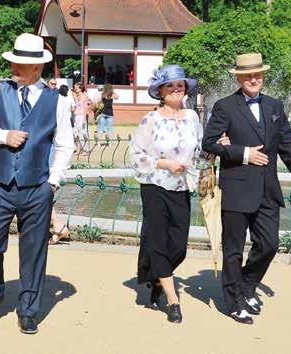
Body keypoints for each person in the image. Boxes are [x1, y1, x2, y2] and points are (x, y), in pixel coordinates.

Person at [0, 33, 74, 334]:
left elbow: (66, 146)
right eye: (13, 61)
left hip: (37, 187)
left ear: (36, 68)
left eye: (20, 63)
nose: (13, 66)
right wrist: (2, 136)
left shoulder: (58, 101)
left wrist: (51, 184)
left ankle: (28, 309)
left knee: (34, 250)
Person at [202, 53, 291, 325]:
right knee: (233, 250)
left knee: (270, 244)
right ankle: (234, 301)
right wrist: (244, 153)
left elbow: (286, 141)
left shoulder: (273, 105)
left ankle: (247, 284)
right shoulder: (225, 106)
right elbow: (209, 143)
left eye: (257, 74)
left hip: (267, 190)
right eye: (248, 75)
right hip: (236, 189)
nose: (253, 79)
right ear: (238, 77)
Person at [129, 65, 201, 324]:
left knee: (179, 246)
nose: (176, 88)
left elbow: (199, 150)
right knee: (158, 240)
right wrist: (164, 164)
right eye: (170, 85)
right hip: (154, 186)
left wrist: (219, 147)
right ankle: (173, 300)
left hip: (181, 186)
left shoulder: (192, 116)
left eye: (180, 84)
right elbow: (136, 155)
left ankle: (157, 275)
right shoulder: (151, 119)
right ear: (160, 91)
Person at [72, 83, 90, 154]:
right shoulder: (76, 96)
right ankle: (78, 149)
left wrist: (84, 118)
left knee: (83, 132)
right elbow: (75, 106)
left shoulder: (84, 95)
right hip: (76, 115)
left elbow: (86, 107)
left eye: (76, 87)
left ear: (80, 88)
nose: (75, 88)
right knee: (76, 133)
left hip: (82, 115)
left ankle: (86, 150)